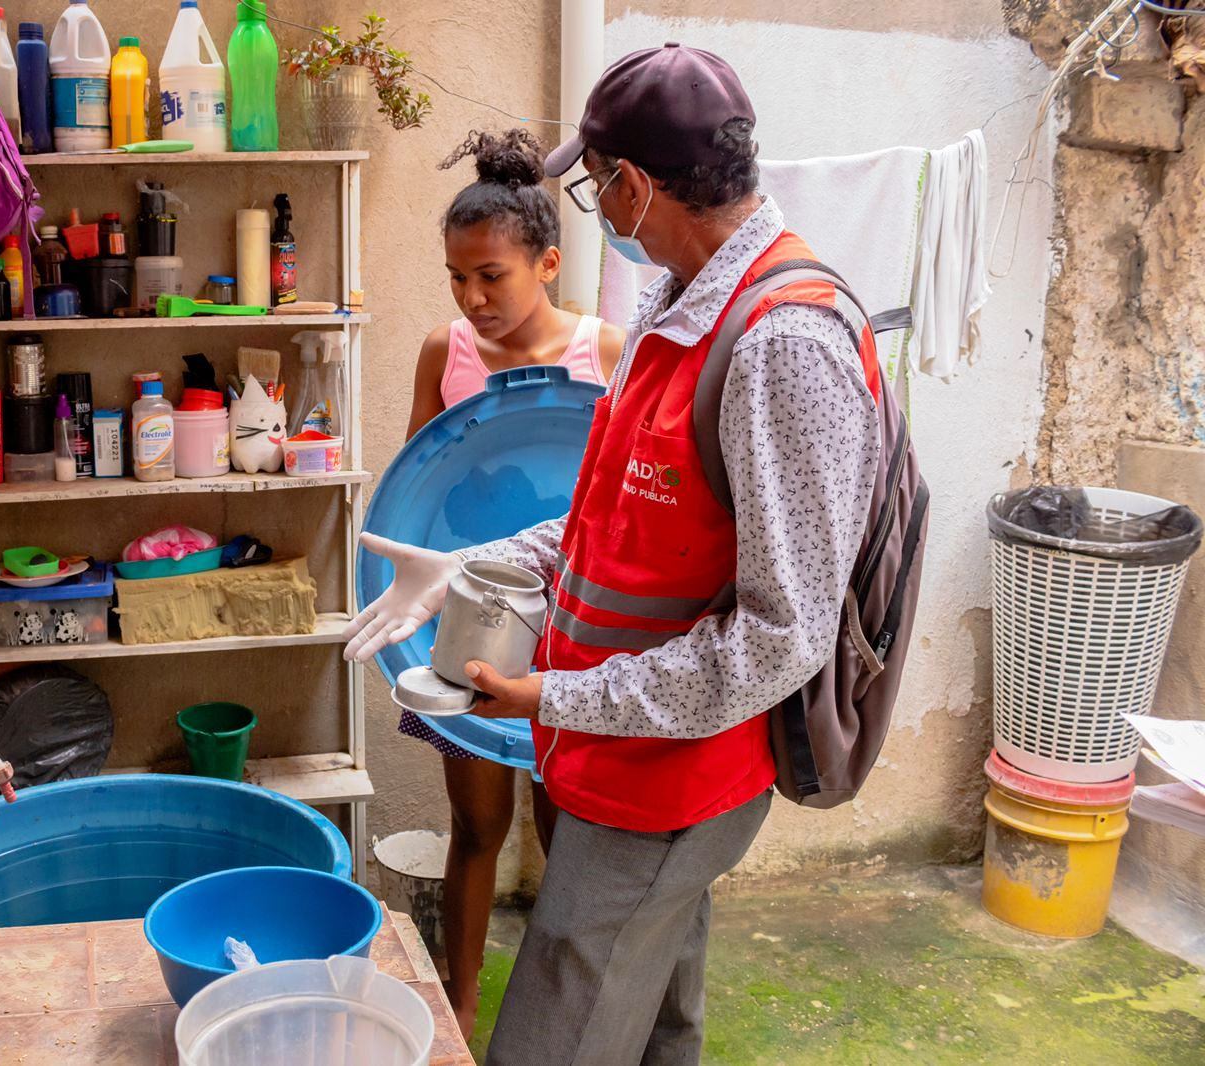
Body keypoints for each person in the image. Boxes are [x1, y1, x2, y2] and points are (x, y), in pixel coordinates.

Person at [346, 44, 882, 1065]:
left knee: (554, 1038)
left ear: (633, 185)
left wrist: (555, 697)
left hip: (669, 779)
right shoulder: (678, 306)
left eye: (594, 185)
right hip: (618, 759)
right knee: (657, 1029)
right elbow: (606, 518)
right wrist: (472, 566)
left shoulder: (782, 342)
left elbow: (781, 639)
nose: (596, 203)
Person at [401, 127, 624, 1038]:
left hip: (573, 631)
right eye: (457, 277)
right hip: (463, 629)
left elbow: (631, 501)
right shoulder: (440, 352)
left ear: (547, 262)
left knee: (570, 838)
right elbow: (418, 486)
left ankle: (561, 1016)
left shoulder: (607, 353)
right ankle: (459, 1008)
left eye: (491, 276)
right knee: (476, 827)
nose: (472, 297)